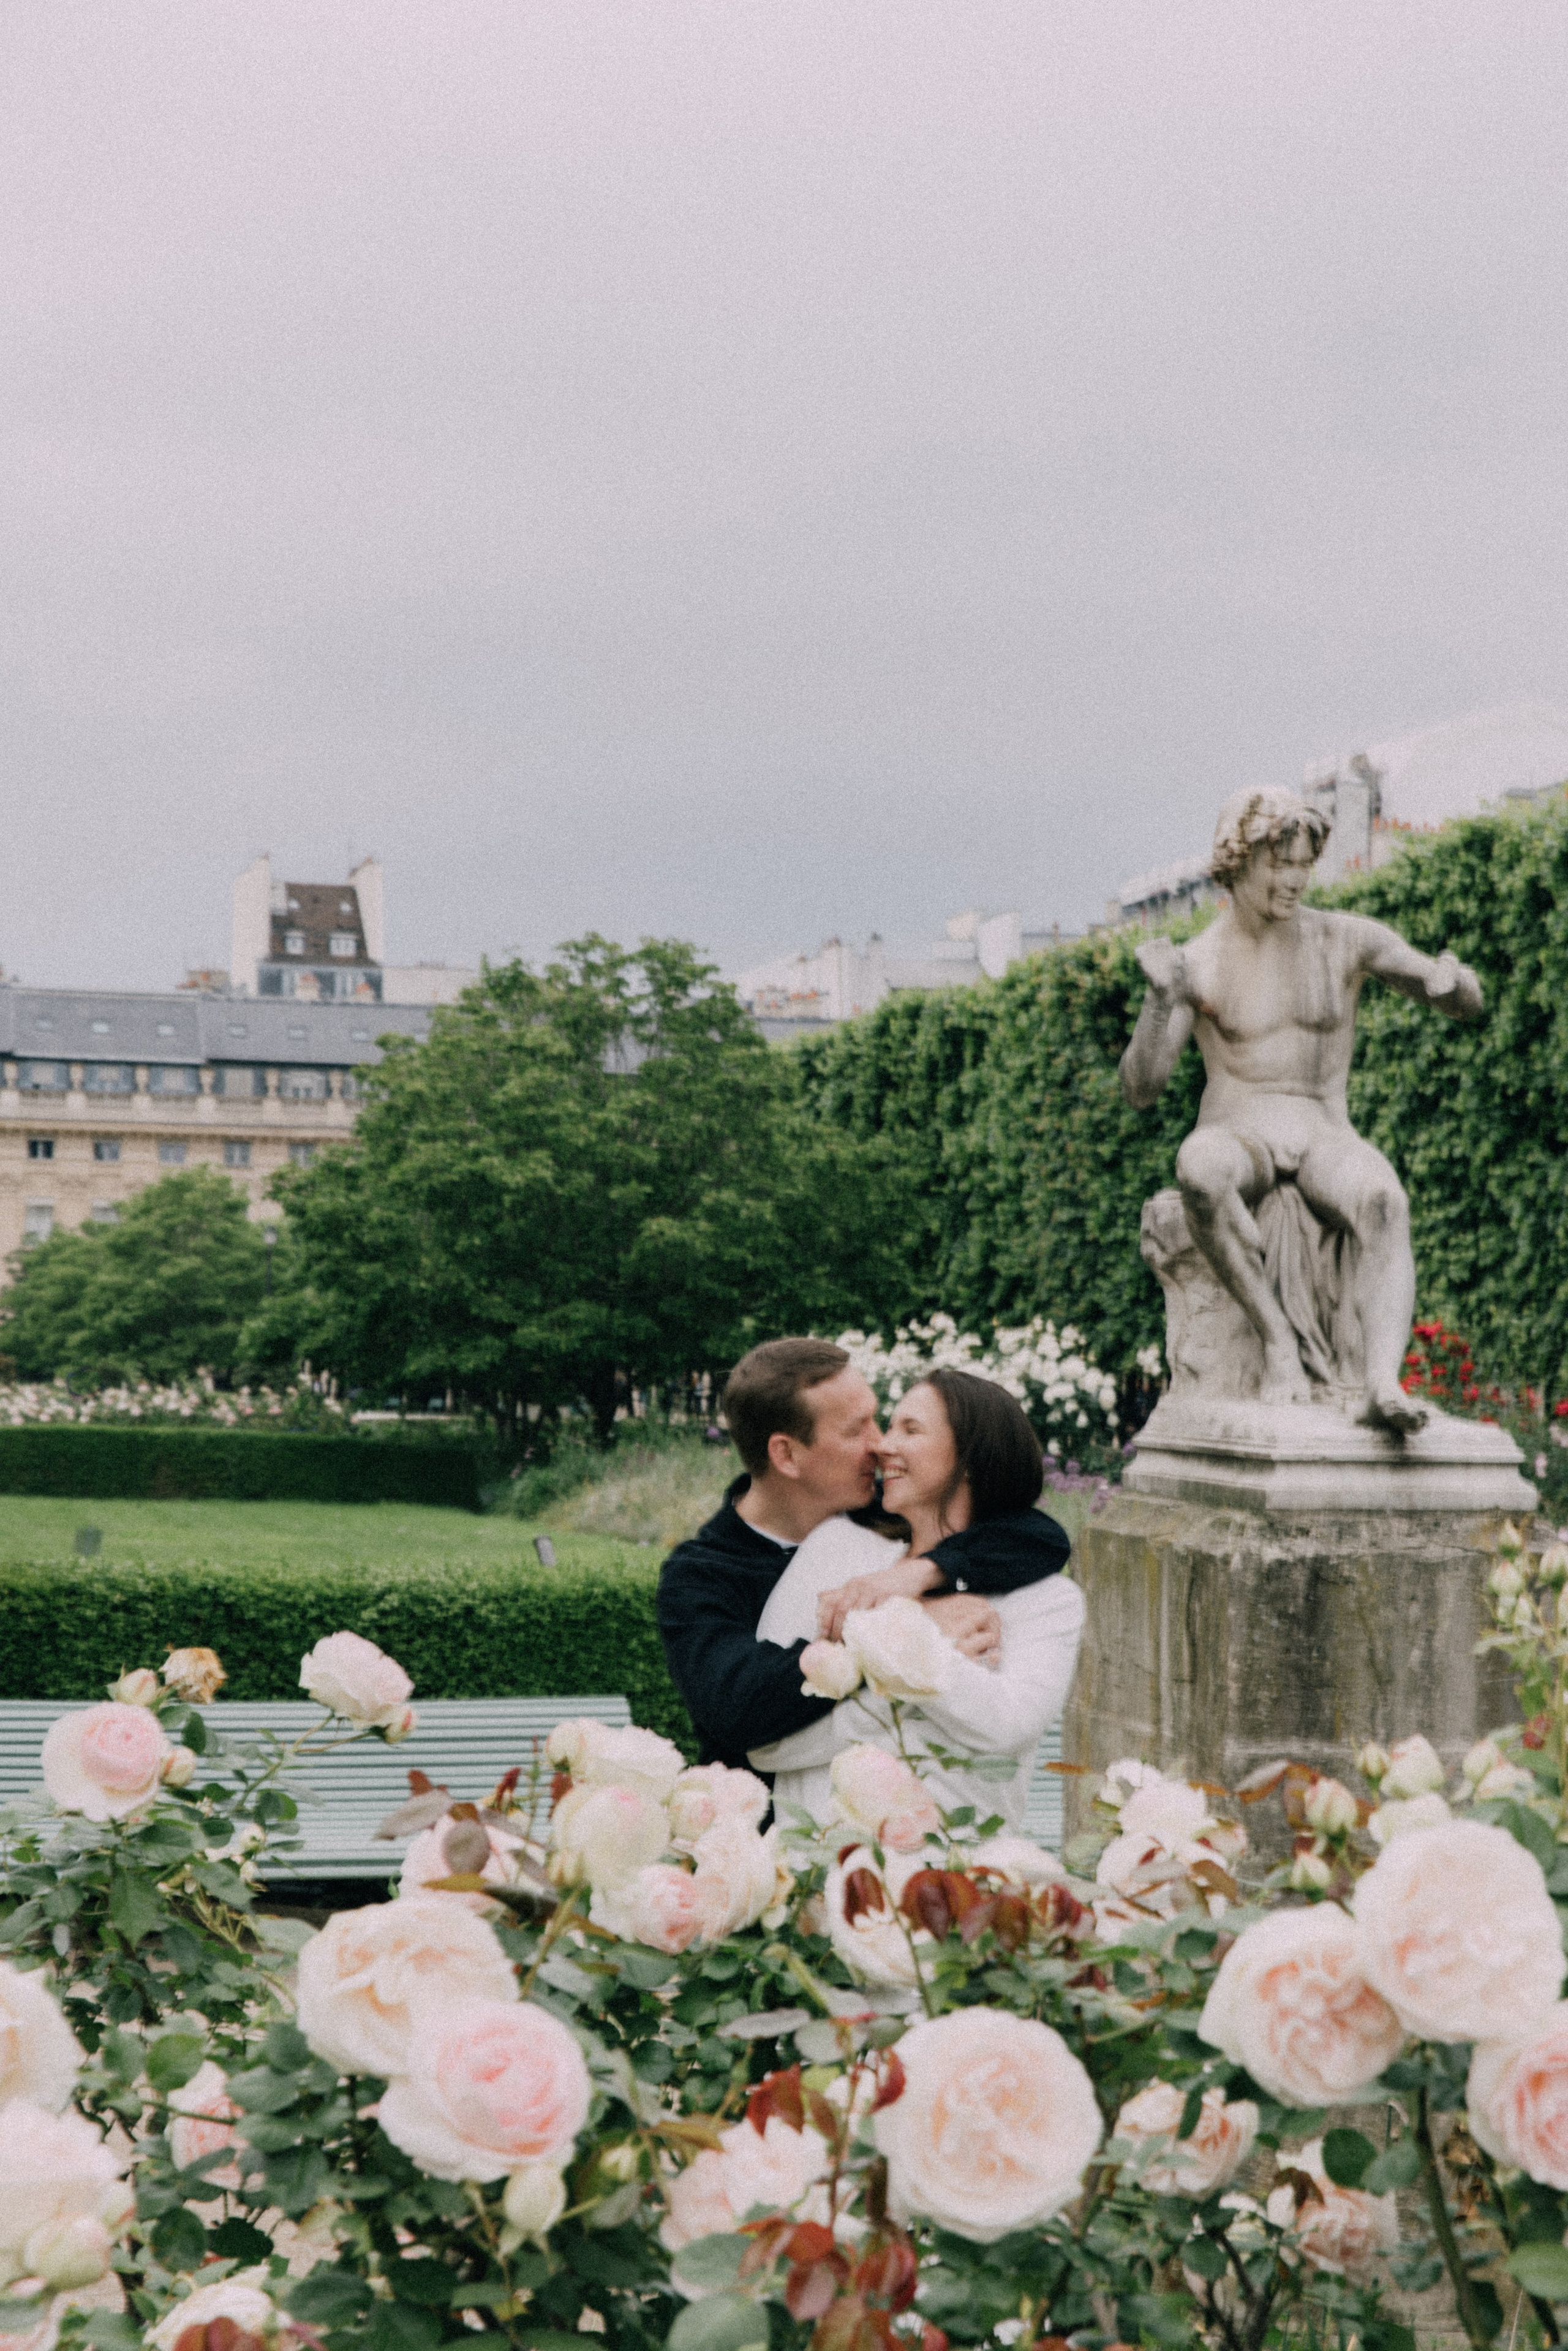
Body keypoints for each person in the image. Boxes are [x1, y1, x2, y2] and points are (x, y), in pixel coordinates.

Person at [1119, 785, 1483, 1432]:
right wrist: (1158, 1002)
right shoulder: (1199, 962)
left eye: (1303, 865)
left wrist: (1451, 984)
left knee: (1384, 1202)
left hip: (1322, 1131)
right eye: (1278, 864)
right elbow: (1142, 1088)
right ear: (1236, 863)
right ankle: (1278, 1341)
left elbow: (1459, 996)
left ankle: (1379, 1383)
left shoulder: (1344, 940)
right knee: (1199, 1168)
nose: (1293, 880)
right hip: (1240, 1130)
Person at [656, 1338, 1068, 1772]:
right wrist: (906, 1628)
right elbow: (736, 1707)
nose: (881, 1444)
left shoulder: (880, 1515)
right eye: (856, 1430)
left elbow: (1040, 1537)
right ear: (787, 1455)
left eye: (878, 1418)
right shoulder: (701, 1577)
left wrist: (918, 1573)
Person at [748, 1368, 1083, 1835]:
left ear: (971, 1459)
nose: (883, 1445)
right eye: (890, 1426)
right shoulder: (836, 1549)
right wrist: (922, 1646)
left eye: (910, 1429)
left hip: (957, 1866)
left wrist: (867, 1680)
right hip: (815, 1862)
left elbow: (1003, 1728)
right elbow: (763, 1739)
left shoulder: (1047, 1600)